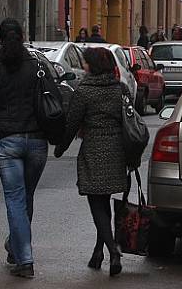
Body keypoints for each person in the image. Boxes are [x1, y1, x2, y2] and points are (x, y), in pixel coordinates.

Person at [0, 19, 55, 279]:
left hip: (7, 142)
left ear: (0, 40)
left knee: (16, 199)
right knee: (25, 197)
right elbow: (52, 99)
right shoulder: (37, 66)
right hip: (36, 142)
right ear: (23, 37)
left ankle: (24, 260)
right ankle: (14, 247)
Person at [54, 47, 128, 276]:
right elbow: (130, 120)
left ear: (92, 66)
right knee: (103, 202)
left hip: (94, 150)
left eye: (85, 63)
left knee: (96, 204)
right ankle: (99, 252)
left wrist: (60, 148)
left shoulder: (85, 91)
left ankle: (113, 250)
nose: (83, 66)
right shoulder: (120, 89)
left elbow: (72, 123)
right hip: (117, 150)